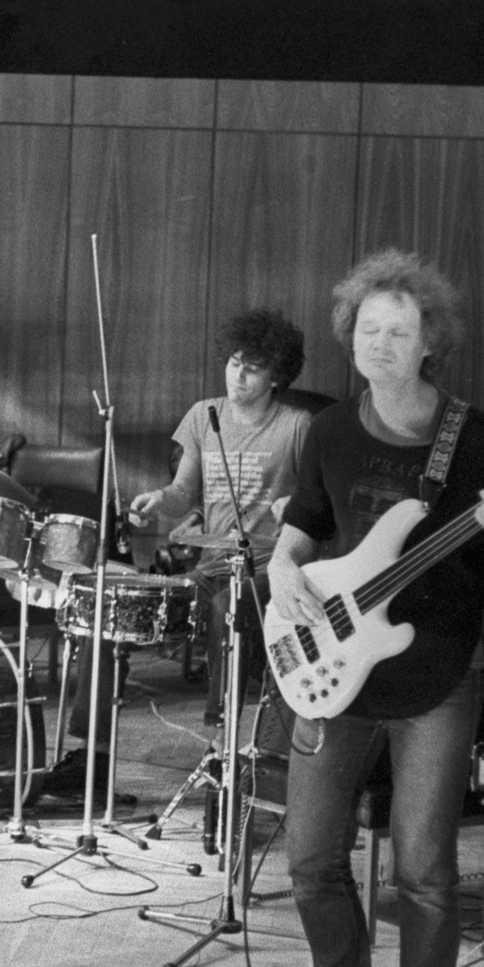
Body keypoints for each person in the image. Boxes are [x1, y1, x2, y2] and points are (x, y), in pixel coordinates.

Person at [263, 250, 484, 967]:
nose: (379, 344)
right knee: (310, 854)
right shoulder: (329, 429)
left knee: (422, 868)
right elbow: (302, 527)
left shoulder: (477, 439)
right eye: (368, 328)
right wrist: (281, 567)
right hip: (334, 667)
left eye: (399, 331)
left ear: (430, 344)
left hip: (437, 679)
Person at [127, 309, 312, 726]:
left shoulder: (298, 425)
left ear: (277, 378)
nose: (237, 376)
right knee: (124, 601)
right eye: (233, 363)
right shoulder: (203, 415)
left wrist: (294, 505)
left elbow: (318, 501)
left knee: (230, 604)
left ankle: (219, 733)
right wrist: (158, 500)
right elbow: (181, 493)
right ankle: (92, 744)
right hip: (212, 567)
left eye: (252, 369)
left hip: (266, 569)